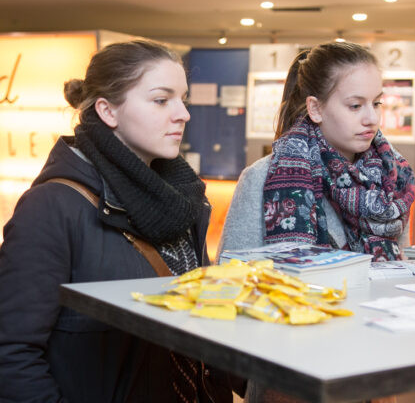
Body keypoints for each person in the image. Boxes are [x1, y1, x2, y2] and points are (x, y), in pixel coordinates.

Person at [0, 40, 244, 402]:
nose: (183, 114)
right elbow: (11, 354)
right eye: (162, 100)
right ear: (108, 111)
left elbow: (202, 318)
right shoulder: (52, 206)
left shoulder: (183, 199)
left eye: (183, 99)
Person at [218, 41, 415, 403]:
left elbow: (398, 276)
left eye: (377, 103)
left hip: (371, 368)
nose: (371, 118)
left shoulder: (392, 180)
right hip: (290, 376)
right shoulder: (264, 179)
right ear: (315, 108)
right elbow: (231, 288)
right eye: (355, 105)